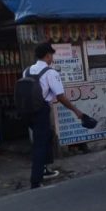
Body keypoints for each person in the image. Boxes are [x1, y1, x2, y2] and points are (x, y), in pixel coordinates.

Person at [25, 43, 85, 189]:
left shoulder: (27, 71)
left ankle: (44, 169)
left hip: (27, 112)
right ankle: (35, 181)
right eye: (51, 55)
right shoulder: (50, 73)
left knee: (46, 137)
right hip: (41, 111)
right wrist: (76, 111)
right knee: (40, 144)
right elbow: (61, 97)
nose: (52, 58)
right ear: (47, 56)